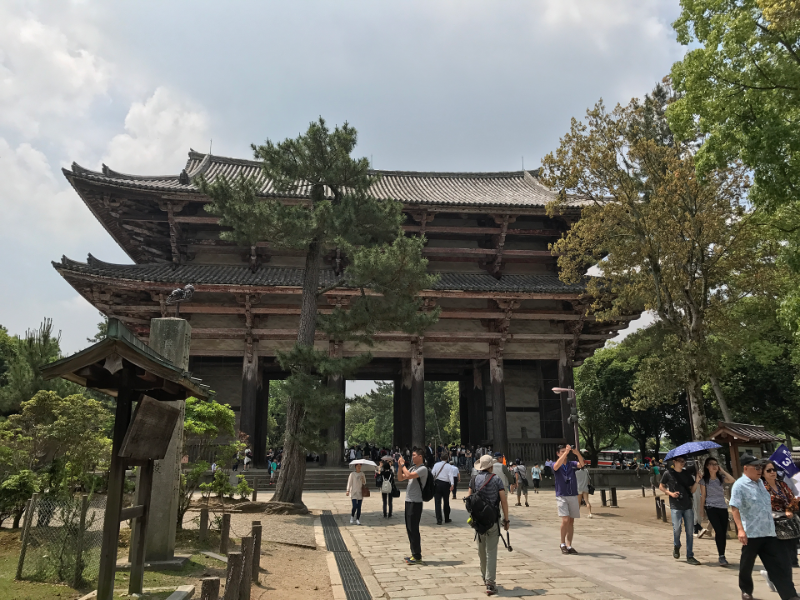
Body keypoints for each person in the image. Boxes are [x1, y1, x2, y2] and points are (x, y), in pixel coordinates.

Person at [731, 453, 799, 600]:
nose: (759, 470)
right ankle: (746, 591)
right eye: (756, 467)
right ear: (746, 468)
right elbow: (734, 508)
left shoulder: (761, 483)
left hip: (769, 532)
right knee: (746, 565)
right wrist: (740, 530)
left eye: (760, 467)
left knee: (778, 566)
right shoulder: (739, 485)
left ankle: (790, 595)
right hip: (752, 533)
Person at [466, 454, 510, 596]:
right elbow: (503, 501)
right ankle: (490, 582)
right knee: (491, 551)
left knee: (481, 550)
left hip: (478, 521)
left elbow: (469, 501)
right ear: (491, 466)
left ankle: (484, 576)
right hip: (493, 519)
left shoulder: (473, 480)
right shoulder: (496, 479)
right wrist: (506, 519)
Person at [659, 456, 700, 565]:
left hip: (687, 505)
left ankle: (690, 555)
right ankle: (676, 545)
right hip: (675, 505)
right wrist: (670, 493)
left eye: (684, 461)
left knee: (690, 532)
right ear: (674, 462)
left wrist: (697, 481)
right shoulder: (668, 473)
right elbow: (661, 486)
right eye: (681, 461)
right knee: (677, 529)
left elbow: (692, 489)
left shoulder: (686, 474)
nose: (683, 463)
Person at [762, 459, 800, 570]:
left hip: (788, 520)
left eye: (774, 469)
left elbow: (794, 498)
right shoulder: (761, 487)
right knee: (778, 551)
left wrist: (789, 509)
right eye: (769, 470)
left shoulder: (782, 484)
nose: (772, 472)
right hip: (771, 521)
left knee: (791, 548)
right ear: (763, 473)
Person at [699, 456, 735, 566]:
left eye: (716, 464)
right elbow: (703, 495)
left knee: (723, 532)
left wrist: (722, 470)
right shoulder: (704, 480)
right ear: (707, 466)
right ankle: (721, 556)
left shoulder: (720, 478)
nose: (714, 466)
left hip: (722, 507)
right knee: (718, 531)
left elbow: (732, 480)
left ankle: (722, 554)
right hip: (711, 507)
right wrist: (702, 510)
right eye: (712, 464)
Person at [397, 447, 429, 564]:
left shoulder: (423, 469)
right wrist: (400, 466)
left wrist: (403, 465)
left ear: (420, 457)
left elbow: (409, 476)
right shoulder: (412, 468)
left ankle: (417, 555)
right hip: (408, 501)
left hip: (416, 502)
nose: (412, 457)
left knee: (414, 528)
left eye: (414, 455)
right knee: (409, 528)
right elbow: (401, 478)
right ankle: (413, 553)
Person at [553, 443, 585, 554]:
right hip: (562, 495)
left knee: (571, 521)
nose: (564, 453)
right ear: (558, 454)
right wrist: (566, 452)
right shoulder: (556, 463)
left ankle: (569, 545)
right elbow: (556, 467)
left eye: (565, 452)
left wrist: (577, 454)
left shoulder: (571, 464)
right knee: (565, 520)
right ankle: (562, 543)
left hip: (572, 494)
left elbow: (582, 464)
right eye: (561, 452)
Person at [432, 451, 455, 525]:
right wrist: (452, 484)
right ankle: (447, 518)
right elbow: (450, 476)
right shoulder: (449, 466)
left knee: (437, 502)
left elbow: (432, 474)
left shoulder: (436, 465)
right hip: (446, 484)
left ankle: (439, 519)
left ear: (440, 458)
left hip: (438, 483)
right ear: (447, 458)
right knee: (446, 501)